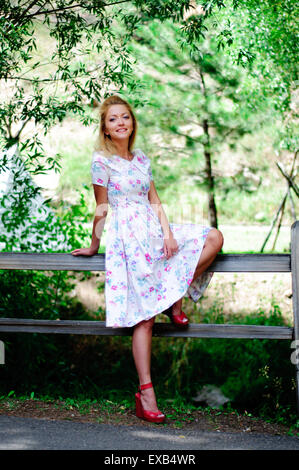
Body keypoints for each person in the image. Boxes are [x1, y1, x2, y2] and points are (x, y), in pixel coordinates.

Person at [71, 95, 224, 423]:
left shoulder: (141, 158)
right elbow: (101, 207)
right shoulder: (102, 161)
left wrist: (168, 233)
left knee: (213, 238)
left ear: (132, 123)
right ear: (106, 128)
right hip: (127, 238)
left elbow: (154, 199)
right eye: (113, 119)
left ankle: (175, 297)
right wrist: (94, 245)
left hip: (154, 230)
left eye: (125, 116)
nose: (121, 122)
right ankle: (146, 393)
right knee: (145, 318)